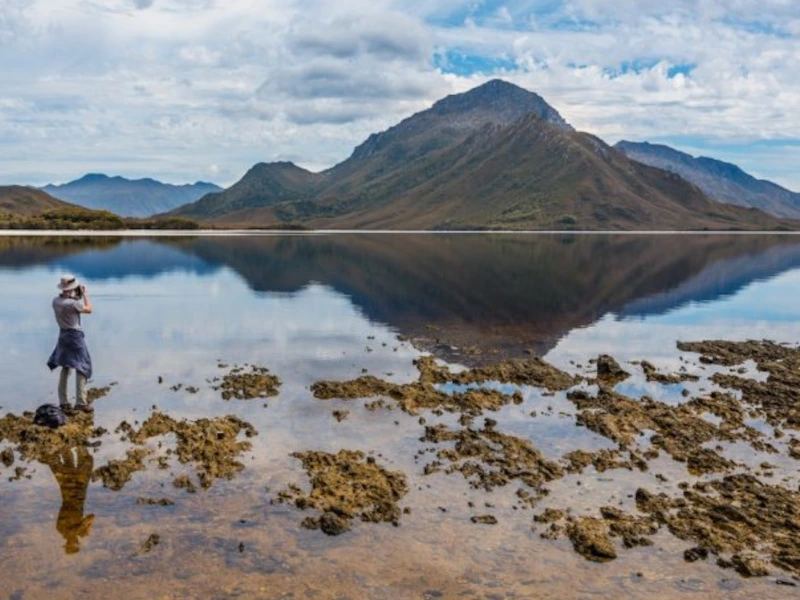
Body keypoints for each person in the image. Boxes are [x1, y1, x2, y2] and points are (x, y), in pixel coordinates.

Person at [47, 274, 94, 414]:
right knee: (83, 366)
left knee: (66, 367)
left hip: (63, 336)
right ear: (72, 288)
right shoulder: (73, 304)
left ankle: (64, 402)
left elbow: (70, 302)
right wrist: (85, 295)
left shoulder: (56, 301)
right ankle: (80, 402)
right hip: (75, 337)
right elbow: (88, 309)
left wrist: (75, 295)